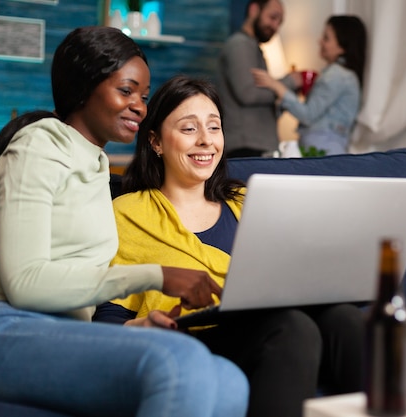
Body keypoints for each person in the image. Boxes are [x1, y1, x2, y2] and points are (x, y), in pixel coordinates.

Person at [0, 26, 248, 417]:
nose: (140, 106)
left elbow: (80, 298)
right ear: (85, 87)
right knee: (178, 361)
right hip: (0, 327)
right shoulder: (39, 145)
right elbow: (25, 285)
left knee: (229, 379)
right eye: (126, 91)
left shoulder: (98, 167)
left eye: (144, 97)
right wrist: (158, 275)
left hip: (67, 333)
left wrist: (140, 329)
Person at [93, 75, 365, 417]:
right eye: (189, 129)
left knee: (345, 319)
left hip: (263, 328)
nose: (206, 141)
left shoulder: (250, 201)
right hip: (190, 339)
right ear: (156, 141)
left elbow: (290, 275)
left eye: (214, 127)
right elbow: (106, 323)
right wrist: (144, 325)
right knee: (292, 327)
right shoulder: (128, 215)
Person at [252, 15, 367, 155]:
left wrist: (277, 86)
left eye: (326, 38)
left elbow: (308, 115)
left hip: (323, 150)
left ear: (342, 47)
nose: (320, 41)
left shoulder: (337, 75)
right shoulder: (344, 75)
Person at [215, 0, 300, 158]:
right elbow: (248, 93)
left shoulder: (252, 46)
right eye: (272, 17)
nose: (275, 26)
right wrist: (287, 83)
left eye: (279, 22)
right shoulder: (240, 45)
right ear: (254, 10)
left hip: (254, 146)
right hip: (245, 147)